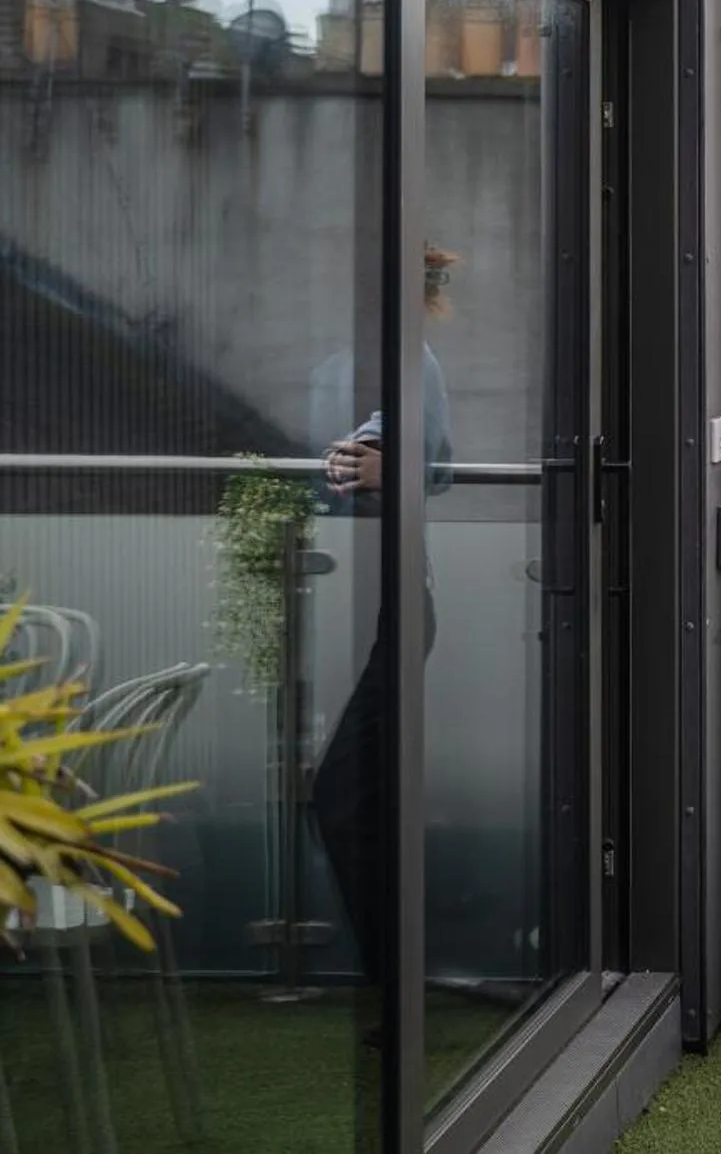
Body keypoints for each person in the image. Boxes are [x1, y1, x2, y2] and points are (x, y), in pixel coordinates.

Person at [308, 245, 459, 982]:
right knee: (352, 791)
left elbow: (433, 461)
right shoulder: (350, 362)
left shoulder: (411, 361)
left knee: (342, 792)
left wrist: (381, 461)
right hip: (358, 593)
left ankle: (397, 977)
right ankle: (395, 974)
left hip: (397, 601)